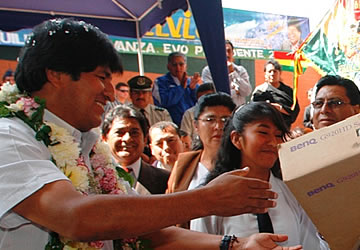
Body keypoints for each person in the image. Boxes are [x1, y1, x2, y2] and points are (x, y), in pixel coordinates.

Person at [0, 18, 300, 250]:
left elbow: (148, 231)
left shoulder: (88, 147)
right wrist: (207, 199)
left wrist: (236, 244)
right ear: (56, 74)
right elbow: (76, 217)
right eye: (102, 78)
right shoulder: (10, 136)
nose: (109, 92)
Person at [191, 102, 329, 249]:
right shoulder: (214, 196)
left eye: (278, 135)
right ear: (237, 139)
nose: (272, 142)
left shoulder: (292, 193)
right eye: (263, 132)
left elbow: (309, 245)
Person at [167, 92, 236, 228]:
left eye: (225, 120)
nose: (218, 126)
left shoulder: (243, 164)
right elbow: (170, 211)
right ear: (196, 126)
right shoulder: (184, 166)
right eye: (210, 120)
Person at [102, 105, 170, 194]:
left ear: (145, 139)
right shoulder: (94, 176)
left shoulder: (165, 179)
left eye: (134, 133)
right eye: (119, 132)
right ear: (104, 138)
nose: (127, 138)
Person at [152, 52, 200, 126]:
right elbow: (163, 102)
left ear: (186, 66)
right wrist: (181, 88)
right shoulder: (160, 82)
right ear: (168, 66)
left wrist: (193, 90)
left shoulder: (191, 82)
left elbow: (199, 103)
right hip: (170, 123)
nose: (178, 68)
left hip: (190, 123)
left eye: (181, 64)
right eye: (174, 65)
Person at [251, 59, 300, 128]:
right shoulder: (260, 91)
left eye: (275, 71)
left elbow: (294, 110)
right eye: (269, 71)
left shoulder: (288, 91)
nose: (272, 74)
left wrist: (279, 108)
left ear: (280, 73)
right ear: (265, 73)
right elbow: (254, 110)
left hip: (284, 127)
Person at [201, 40, 252, 106]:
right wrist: (235, 92)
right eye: (223, 51)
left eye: (229, 51)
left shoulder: (240, 70)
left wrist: (233, 73)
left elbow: (247, 92)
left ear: (233, 53)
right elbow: (211, 94)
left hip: (237, 113)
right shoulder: (208, 71)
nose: (227, 54)